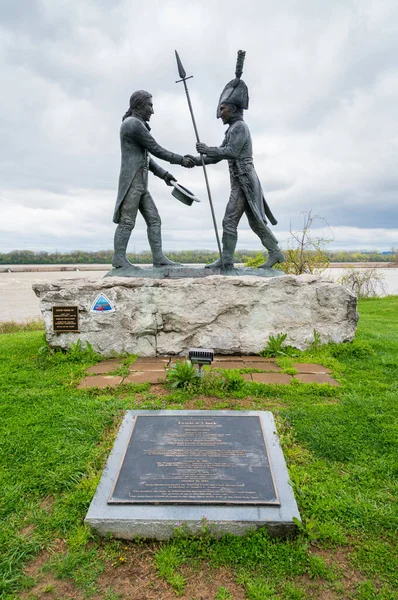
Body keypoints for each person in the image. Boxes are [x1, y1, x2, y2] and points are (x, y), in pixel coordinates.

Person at [194, 56, 285, 270]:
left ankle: (229, 260)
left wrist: (208, 149)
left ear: (233, 109)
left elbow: (232, 152)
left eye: (223, 109)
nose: (219, 114)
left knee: (234, 220)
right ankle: (274, 253)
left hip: (245, 180)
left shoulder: (240, 128)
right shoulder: (232, 129)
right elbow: (218, 155)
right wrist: (196, 161)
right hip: (239, 181)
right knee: (250, 221)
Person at [112, 90, 195, 269]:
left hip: (141, 184)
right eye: (150, 105)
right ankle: (119, 259)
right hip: (132, 182)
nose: (152, 111)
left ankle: (158, 258)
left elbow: (146, 157)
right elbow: (156, 149)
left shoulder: (137, 124)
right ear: (138, 105)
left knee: (154, 220)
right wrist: (181, 160)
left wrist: (164, 174)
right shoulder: (133, 124)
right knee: (127, 221)